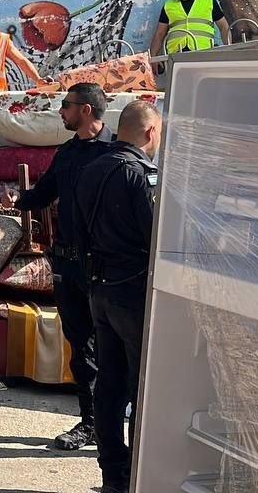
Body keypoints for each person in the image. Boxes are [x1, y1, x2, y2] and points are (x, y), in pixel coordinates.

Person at [0, 82, 112, 452]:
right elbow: (45, 193)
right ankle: (90, 423)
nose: (61, 111)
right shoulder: (67, 152)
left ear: (86, 110)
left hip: (105, 268)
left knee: (112, 347)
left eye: (66, 105)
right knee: (81, 347)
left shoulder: (115, 153)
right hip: (68, 264)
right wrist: (19, 200)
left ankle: (115, 424)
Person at [72, 100, 161, 493]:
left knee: (109, 383)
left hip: (100, 289)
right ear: (150, 132)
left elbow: (75, 231)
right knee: (143, 386)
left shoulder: (90, 169)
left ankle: (113, 475)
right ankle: (139, 476)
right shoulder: (142, 174)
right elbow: (155, 238)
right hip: (133, 291)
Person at [149, 0, 230, 70]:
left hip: (204, 53)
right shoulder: (168, 5)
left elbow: (223, 26)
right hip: (176, 56)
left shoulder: (208, 1)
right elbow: (160, 33)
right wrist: (153, 56)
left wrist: (229, 49)